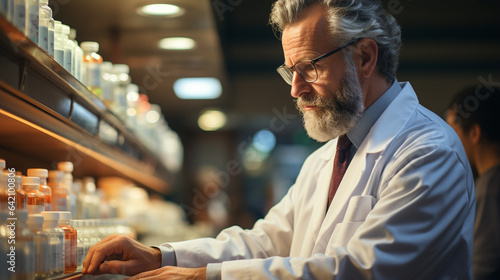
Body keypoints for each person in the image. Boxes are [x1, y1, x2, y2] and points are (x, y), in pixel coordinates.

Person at [82, 0, 475, 279]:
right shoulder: (326, 158)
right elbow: (267, 243)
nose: (296, 90)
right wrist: (160, 255)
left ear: (365, 57)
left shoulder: (427, 151)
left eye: (309, 68)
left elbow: (363, 270)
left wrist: (206, 278)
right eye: (291, 72)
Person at [446, 85, 500, 280]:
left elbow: (480, 267)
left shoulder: (490, 188)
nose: (447, 142)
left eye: (452, 131)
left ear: (475, 133)